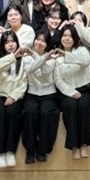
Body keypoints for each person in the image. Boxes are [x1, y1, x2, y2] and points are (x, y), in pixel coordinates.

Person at [55, 25, 90, 160]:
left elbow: (85, 62)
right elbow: (58, 80)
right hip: (67, 92)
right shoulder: (56, 57)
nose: (66, 38)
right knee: (70, 107)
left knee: (84, 105)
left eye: (69, 36)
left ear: (74, 38)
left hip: (85, 89)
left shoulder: (82, 50)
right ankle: (74, 145)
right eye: (64, 35)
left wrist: (66, 55)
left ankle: (83, 144)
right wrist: (71, 92)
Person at [0, 31, 28, 168]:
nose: (10, 45)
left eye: (13, 41)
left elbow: (23, 83)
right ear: (2, 45)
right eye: (7, 42)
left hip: (14, 96)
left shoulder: (24, 61)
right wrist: (12, 57)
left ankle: (10, 151)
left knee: (13, 113)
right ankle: (0, 153)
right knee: (0, 113)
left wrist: (13, 96)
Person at [22, 32, 61, 164]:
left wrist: (41, 57)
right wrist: (41, 57)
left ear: (47, 44)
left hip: (49, 94)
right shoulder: (26, 58)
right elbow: (30, 69)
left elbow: (45, 73)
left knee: (47, 114)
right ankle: (30, 150)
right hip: (32, 93)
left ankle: (43, 150)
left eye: (43, 41)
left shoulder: (53, 58)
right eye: (37, 40)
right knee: (29, 112)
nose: (39, 43)